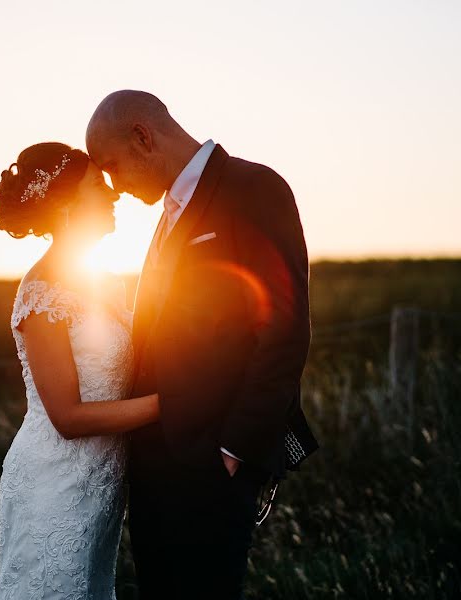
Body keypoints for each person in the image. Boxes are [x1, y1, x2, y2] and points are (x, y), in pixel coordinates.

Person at [85, 90, 319, 599]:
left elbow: (284, 332)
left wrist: (232, 451)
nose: (113, 187)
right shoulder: (168, 213)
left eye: (111, 167)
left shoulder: (254, 188)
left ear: (143, 138)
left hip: (211, 469)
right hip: (154, 472)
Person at [0, 142, 158, 599]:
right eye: (97, 186)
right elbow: (67, 417)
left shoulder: (102, 281)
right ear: (67, 204)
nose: (112, 194)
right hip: (54, 481)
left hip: (100, 485)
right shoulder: (42, 292)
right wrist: (167, 406)